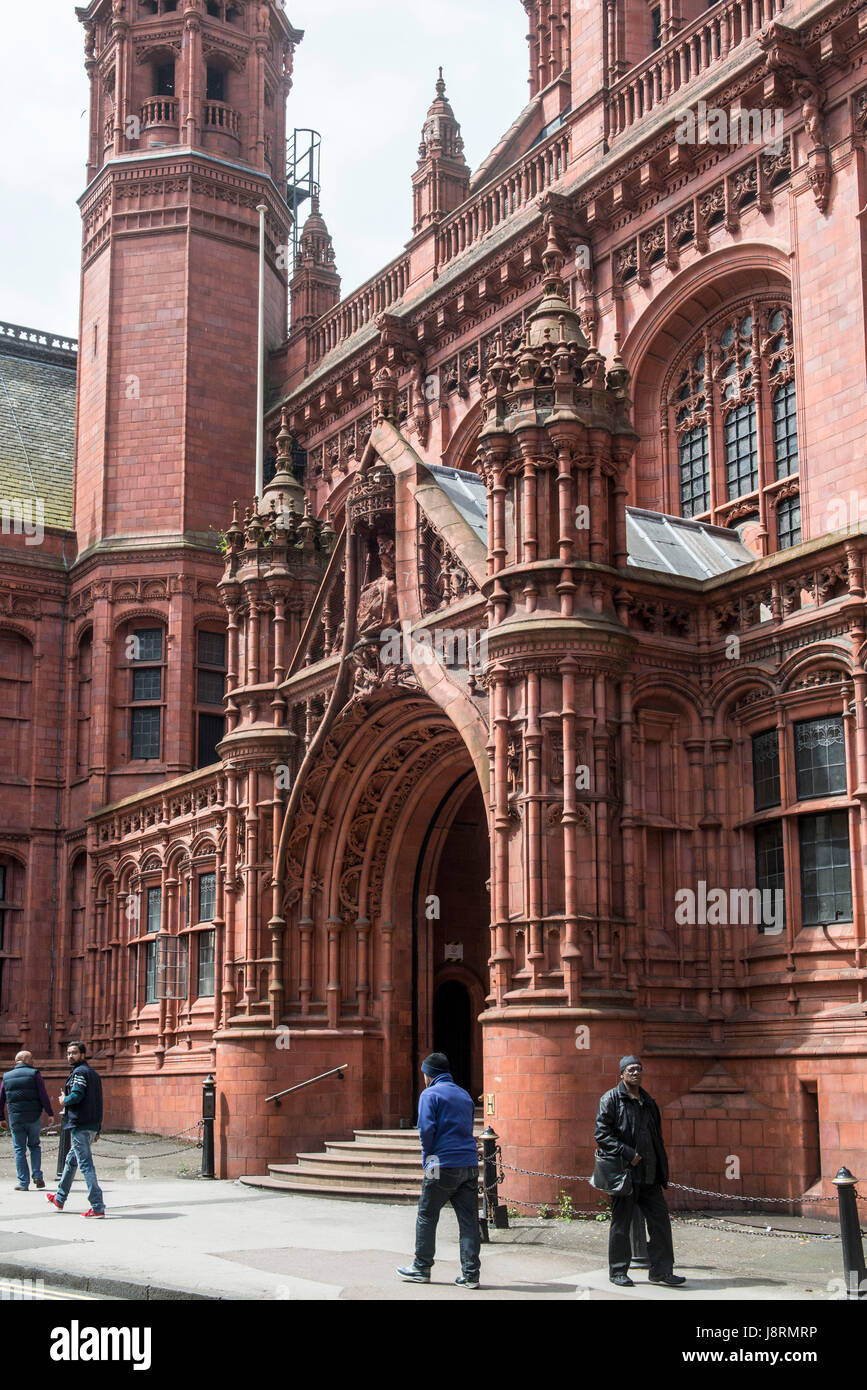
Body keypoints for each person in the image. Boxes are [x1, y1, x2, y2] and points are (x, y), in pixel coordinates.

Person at [595, 1055, 686, 1288]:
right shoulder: (611, 1099)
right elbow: (602, 1134)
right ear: (622, 1074)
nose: (635, 1073)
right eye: (630, 1070)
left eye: (638, 1069)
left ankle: (661, 1271)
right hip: (625, 1174)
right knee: (621, 1225)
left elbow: (656, 1136)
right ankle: (617, 1271)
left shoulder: (648, 1101)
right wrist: (627, 1152)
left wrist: (660, 1167)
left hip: (649, 1175)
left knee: (660, 1224)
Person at [396, 1052, 481, 1289]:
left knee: (427, 1213)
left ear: (429, 1074)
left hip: (440, 1164)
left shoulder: (430, 1094)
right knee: (468, 1221)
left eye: (424, 1072)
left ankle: (421, 1267)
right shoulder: (464, 1095)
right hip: (469, 1164)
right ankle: (471, 1275)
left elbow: (426, 1130)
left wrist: (427, 1160)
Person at [46, 1041, 105, 1218]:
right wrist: (98, 1128)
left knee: (85, 1165)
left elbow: (77, 1094)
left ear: (82, 1055)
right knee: (71, 1161)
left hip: (80, 1124)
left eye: (74, 1053)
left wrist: (65, 1100)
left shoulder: (79, 1072)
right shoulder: (93, 1074)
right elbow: (99, 1102)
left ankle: (97, 1205)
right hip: (91, 1124)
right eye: (68, 1053)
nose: (70, 1056)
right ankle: (60, 1197)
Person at [0, 1050, 54, 1190]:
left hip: (15, 1118)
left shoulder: (6, 1076)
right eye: (31, 1059)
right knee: (35, 1146)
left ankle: (23, 1183)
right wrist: (50, 1113)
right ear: (24, 1059)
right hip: (33, 1117)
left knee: (19, 1150)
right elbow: (43, 1094)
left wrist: (1, 1118)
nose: (33, 1061)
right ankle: (37, 1175)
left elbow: (1, 1099)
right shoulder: (34, 1074)